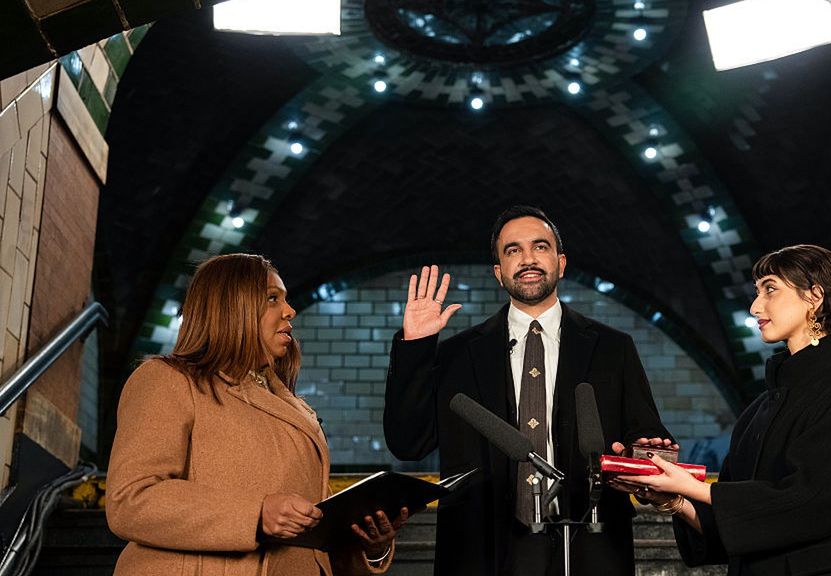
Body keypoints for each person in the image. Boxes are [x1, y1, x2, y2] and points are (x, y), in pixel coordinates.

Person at [383, 205, 674, 576]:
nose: (528, 259)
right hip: (482, 549)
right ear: (498, 273)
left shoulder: (613, 347)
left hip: (590, 542)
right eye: (513, 250)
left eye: (540, 246)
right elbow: (408, 442)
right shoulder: (457, 354)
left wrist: (649, 451)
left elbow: (644, 433)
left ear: (561, 262)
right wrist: (416, 347)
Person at [106, 254, 408, 576]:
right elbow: (132, 499)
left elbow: (313, 536)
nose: (290, 311)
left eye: (286, 300)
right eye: (272, 298)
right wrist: (255, 515)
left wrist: (369, 547)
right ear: (231, 306)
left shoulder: (294, 409)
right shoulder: (167, 379)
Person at [610, 244, 831, 575]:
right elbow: (735, 530)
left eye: (770, 289)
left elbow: (814, 500)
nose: (755, 305)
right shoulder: (757, 411)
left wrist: (694, 487)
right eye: (757, 292)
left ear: (814, 296)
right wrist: (674, 498)